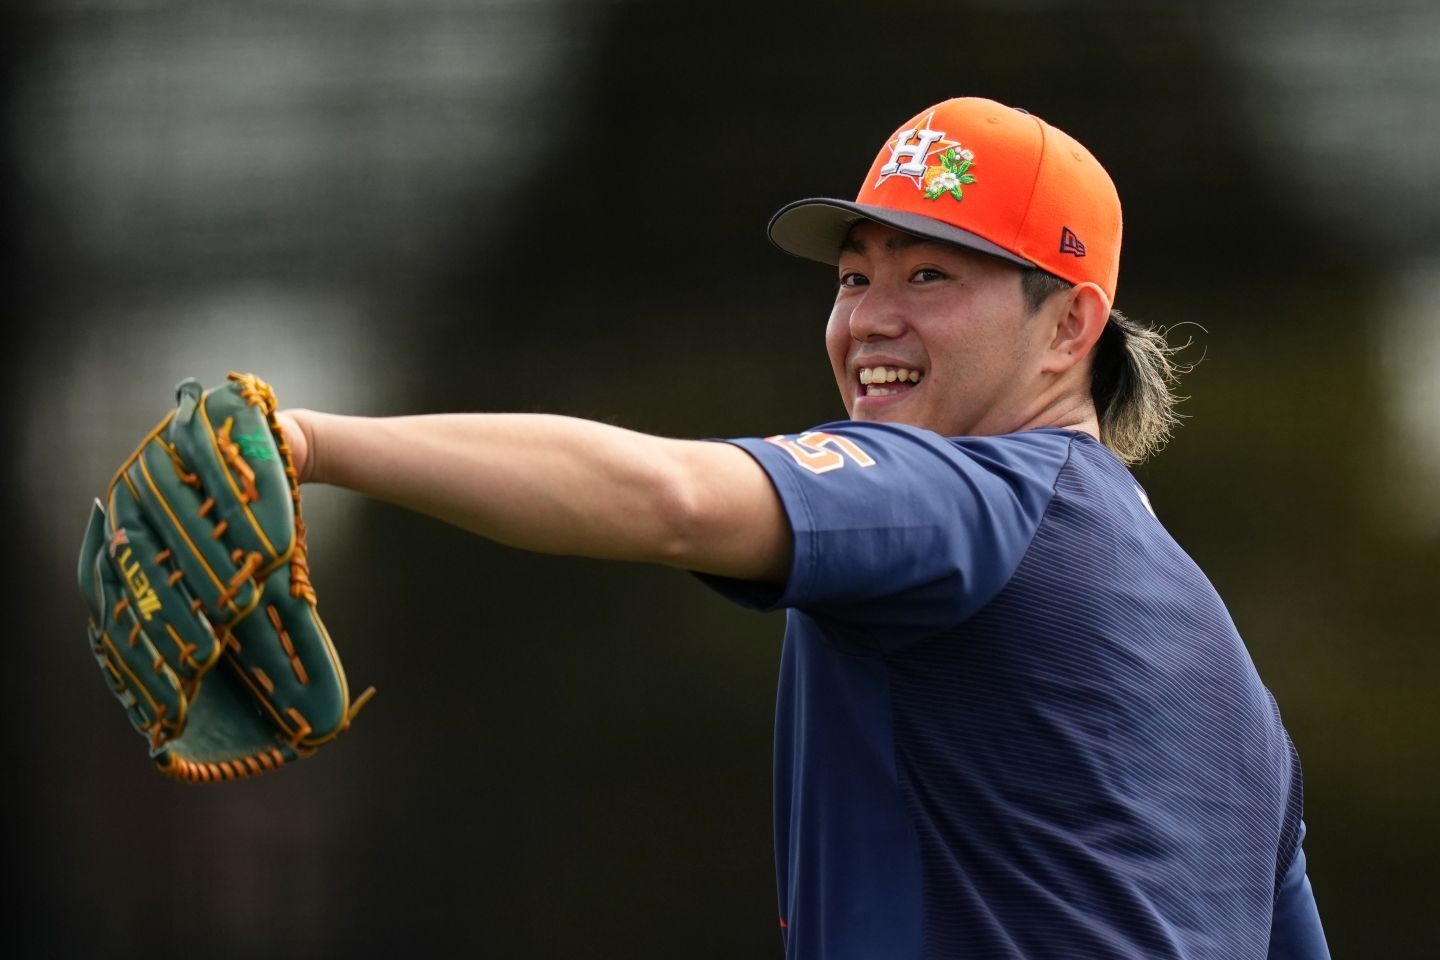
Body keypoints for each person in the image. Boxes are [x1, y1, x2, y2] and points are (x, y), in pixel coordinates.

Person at [276, 97, 1330, 959]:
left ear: (1069, 325)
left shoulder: (976, 497)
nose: (869, 316)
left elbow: (674, 500)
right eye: (853, 276)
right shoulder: (1238, 698)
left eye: (930, 274)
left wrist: (308, 447)